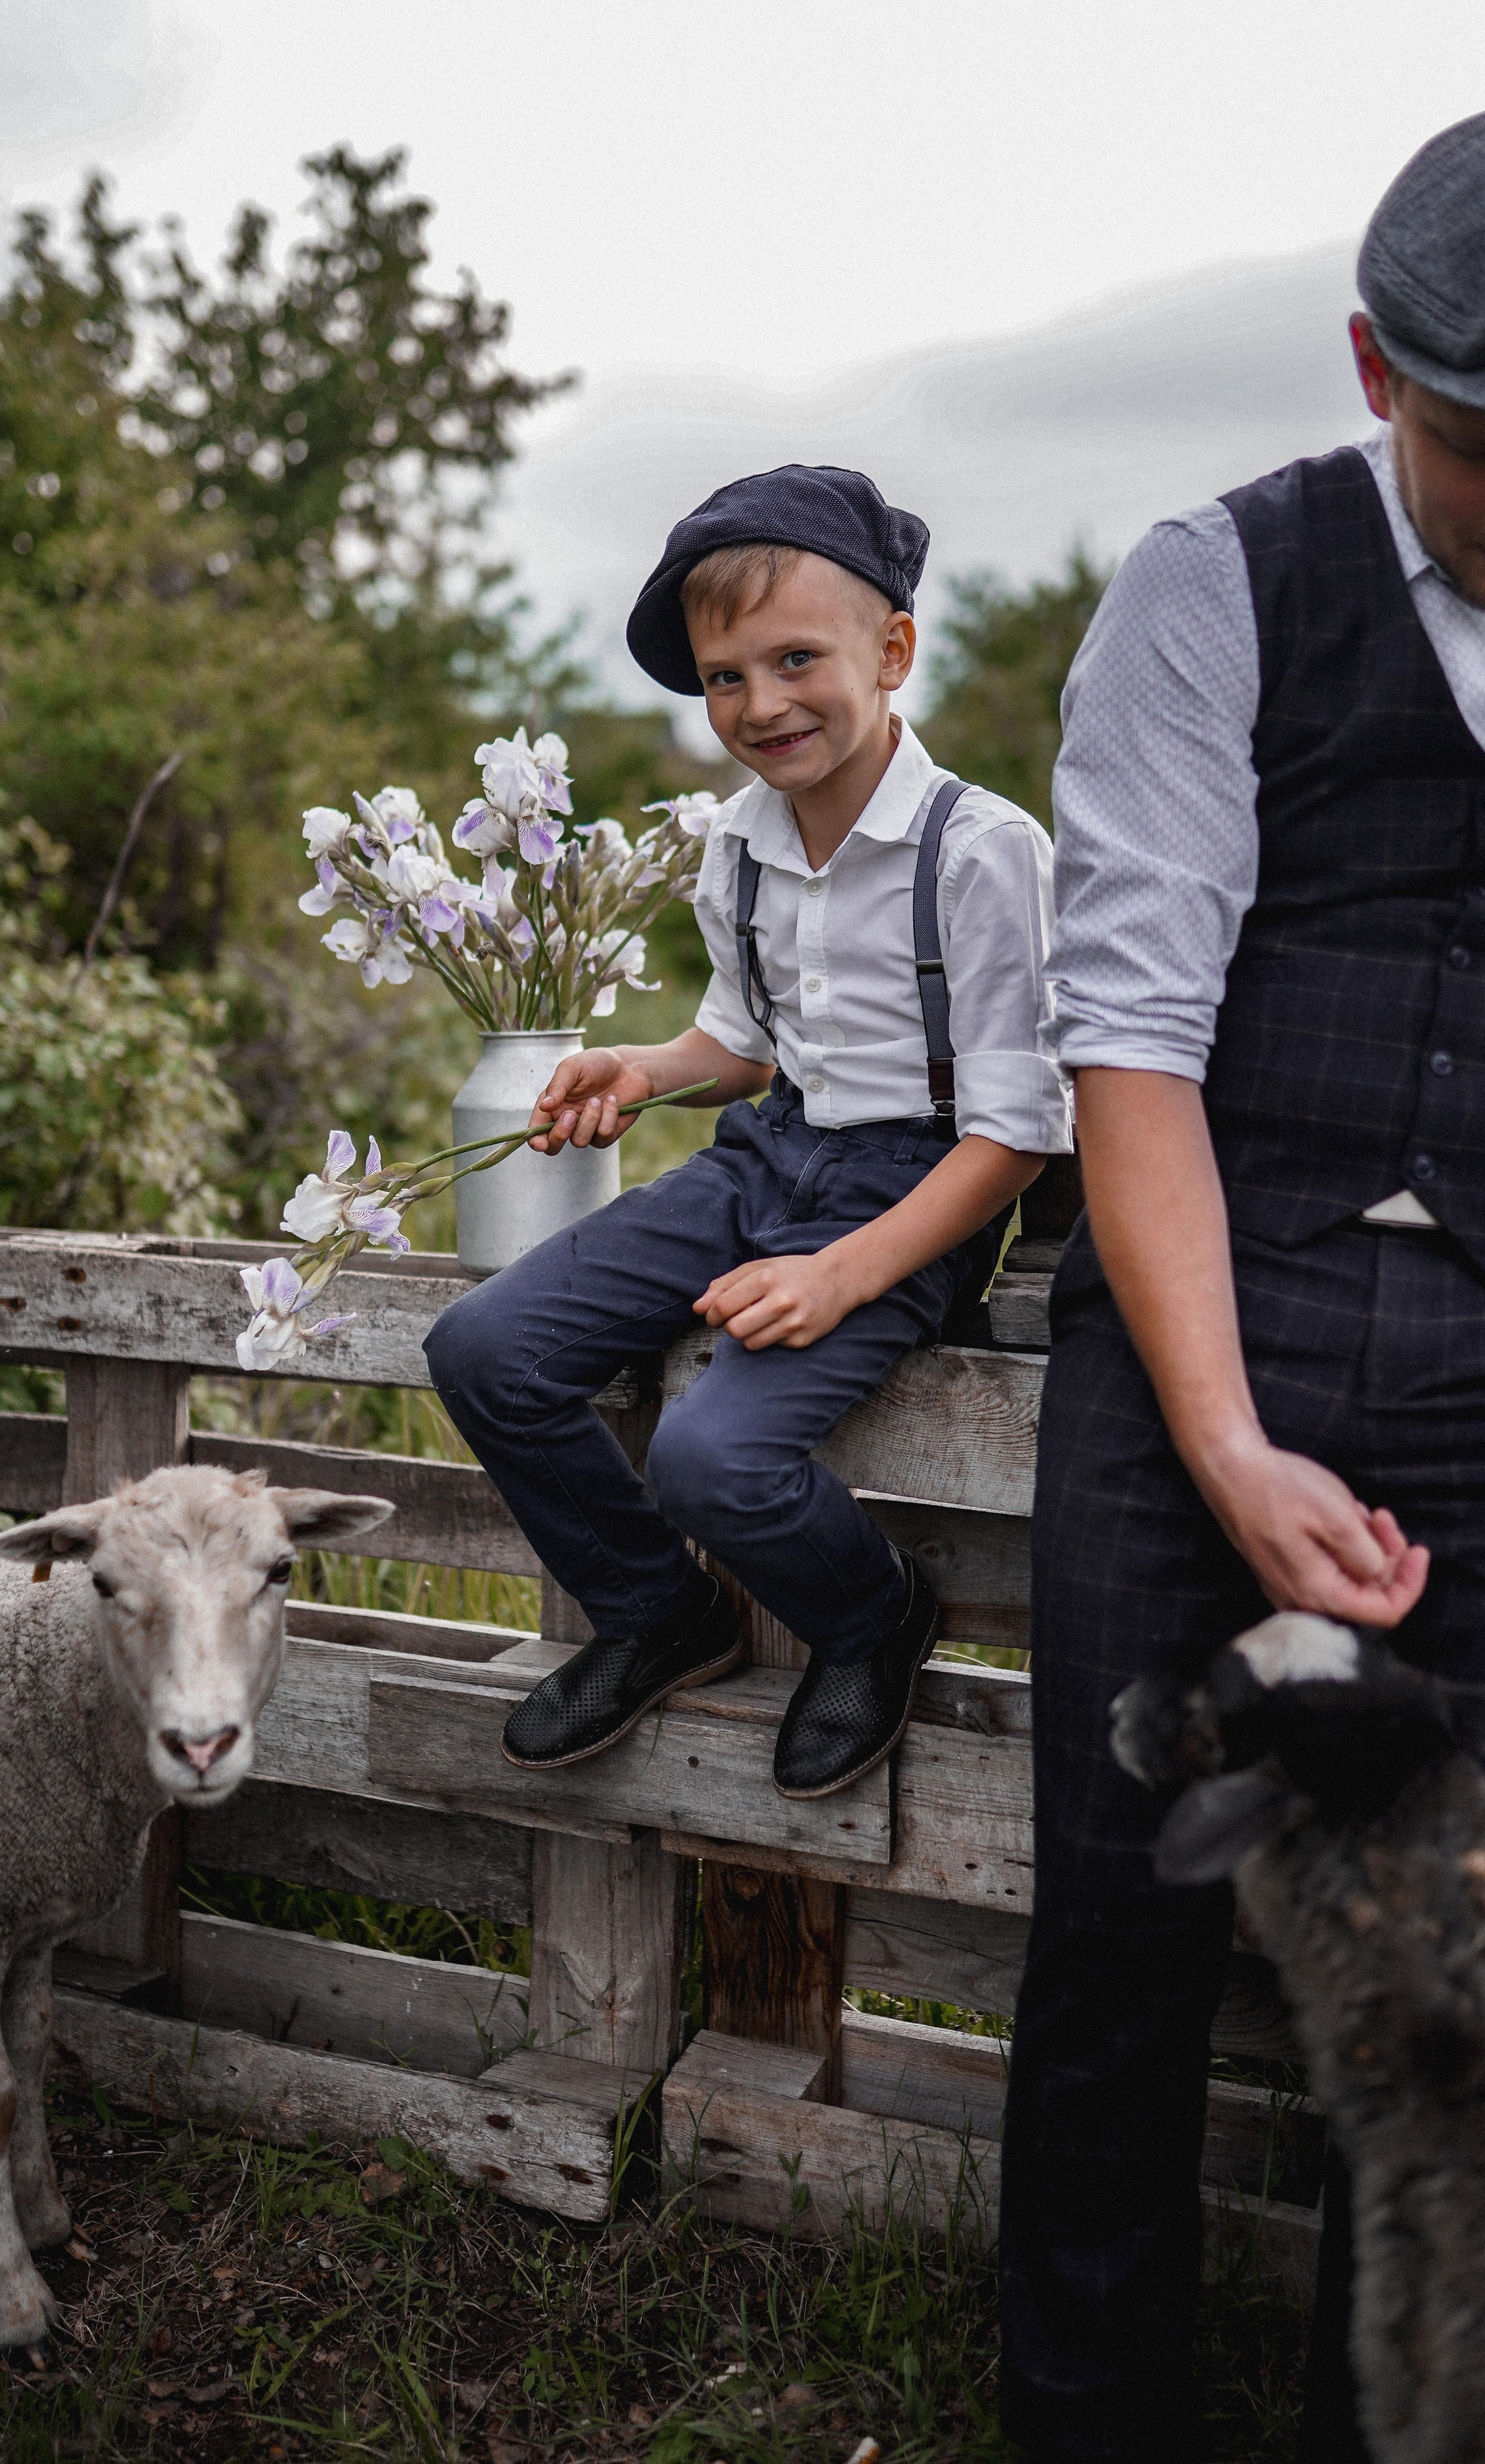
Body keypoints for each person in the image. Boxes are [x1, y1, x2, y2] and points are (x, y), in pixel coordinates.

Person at [997, 103, 1485, 2464]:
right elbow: (1131, 1039)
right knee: (1121, 1946)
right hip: (1192, 1338)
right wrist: (1224, 1438)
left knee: (1466, 1994)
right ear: (1370, 370)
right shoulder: (1212, 586)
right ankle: (1089, 2449)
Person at [427, 464, 1070, 1799]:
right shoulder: (737, 838)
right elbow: (746, 1042)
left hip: (918, 1187)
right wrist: (645, 1068)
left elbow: (1015, 1131)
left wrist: (841, 1271)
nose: (760, 705)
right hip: (765, 1158)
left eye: (795, 660)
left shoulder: (978, 851)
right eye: (725, 677)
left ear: (890, 649)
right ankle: (660, 1614)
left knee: (711, 1454)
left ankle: (866, 1618)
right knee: (484, 1347)